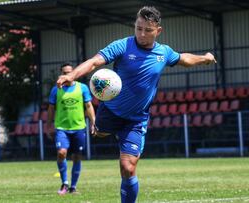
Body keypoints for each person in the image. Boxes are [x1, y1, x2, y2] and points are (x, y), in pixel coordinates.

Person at [57, 6, 216, 203]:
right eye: (138, 28)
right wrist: (72, 75)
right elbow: (94, 62)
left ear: (158, 31)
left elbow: (184, 59)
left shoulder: (163, 52)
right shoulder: (123, 46)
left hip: (136, 119)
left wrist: (205, 59)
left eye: (147, 30)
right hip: (110, 111)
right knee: (99, 132)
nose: (141, 34)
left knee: (128, 167)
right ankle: (99, 126)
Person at [47, 62, 96, 195]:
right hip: (62, 128)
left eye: (69, 72)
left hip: (79, 128)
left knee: (77, 157)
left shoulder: (83, 88)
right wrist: (48, 125)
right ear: (61, 74)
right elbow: (51, 109)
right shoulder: (56, 90)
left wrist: (93, 122)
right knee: (61, 153)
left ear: (73, 73)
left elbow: (89, 106)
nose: (67, 74)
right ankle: (64, 184)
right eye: (64, 72)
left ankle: (73, 187)